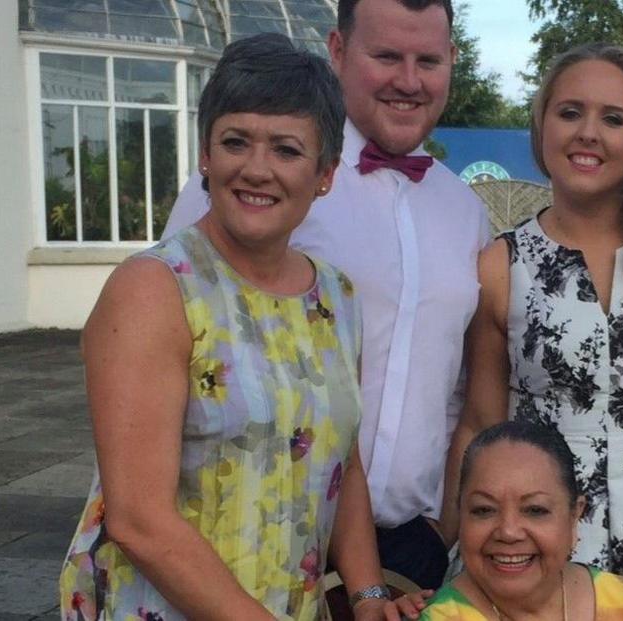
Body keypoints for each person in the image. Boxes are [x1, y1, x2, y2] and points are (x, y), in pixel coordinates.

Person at [59, 33, 407, 620]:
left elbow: (339, 464)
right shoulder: (155, 289)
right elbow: (138, 520)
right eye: (235, 141)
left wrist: (368, 591)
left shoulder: (338, 297)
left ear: (325, 173)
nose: (256, 169)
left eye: (287, 150)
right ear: (205, 153)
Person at [162, 0, 490, 590]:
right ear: (338, 51)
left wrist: (441, 528)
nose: (408, 81)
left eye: (428, 60)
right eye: (386, 56)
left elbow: (459, 385)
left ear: (452, 63)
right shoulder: (265, 174)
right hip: (250, 536)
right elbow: (173, 318)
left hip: (408, 547)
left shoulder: (466, 211)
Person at [442, 43, 623, 619]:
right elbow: (480, 423)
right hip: (534, 541)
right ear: (542, 124)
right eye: (570, 112)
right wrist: (446, 549)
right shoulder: (502, 266)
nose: (588, 133)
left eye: (614, 118)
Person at [420, 421, 623, 620]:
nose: (509, 531)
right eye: (484, 510)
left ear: (575, 515)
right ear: (461, 514)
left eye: (535, 510)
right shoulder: (444, 616)